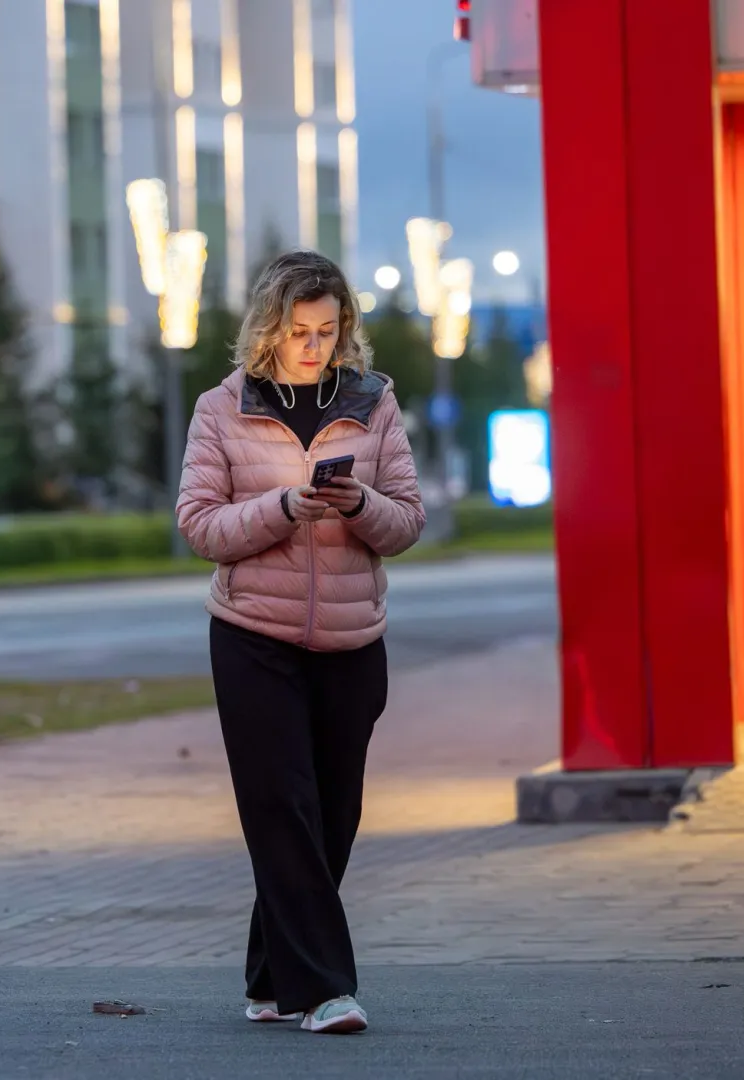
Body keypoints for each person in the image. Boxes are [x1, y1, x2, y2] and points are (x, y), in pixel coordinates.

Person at [174, 250, 425, 1035]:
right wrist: (285, 505)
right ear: (268, 331)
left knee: (332, 813)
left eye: (327, 329)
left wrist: (358, 504)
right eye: (298, 331)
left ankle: (270, 976)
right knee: (281, 806)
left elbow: (409, 521)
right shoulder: (223, 409)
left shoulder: (374, 404)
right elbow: (198, 526)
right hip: (254, 638)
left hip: (353, 641)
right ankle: (324, 990)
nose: (314, 346)